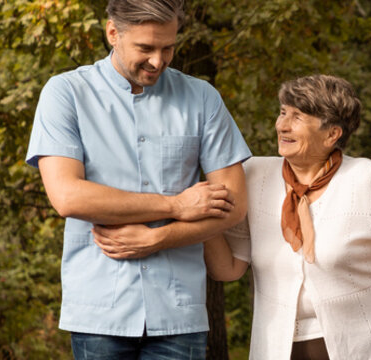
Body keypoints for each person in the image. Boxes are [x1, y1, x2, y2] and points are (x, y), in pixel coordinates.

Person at [24, 0, 251, 358]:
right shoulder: (65, 93)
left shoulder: (203, 98)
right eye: (145, 48)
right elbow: (68, 196)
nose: (158, 61)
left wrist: (159, 237)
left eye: (168, 48)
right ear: (113, 33)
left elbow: (234, 205)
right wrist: (176, 205)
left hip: (179, 313)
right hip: (99, 312)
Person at [204, 74, 371, 360]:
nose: (281, 125)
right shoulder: (253, 176)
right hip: (277, 349)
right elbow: (229, 269)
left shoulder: (366, 179)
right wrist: (206, 223)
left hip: (368, 348)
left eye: (297, 117)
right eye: (283, 112)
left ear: (332, 134)